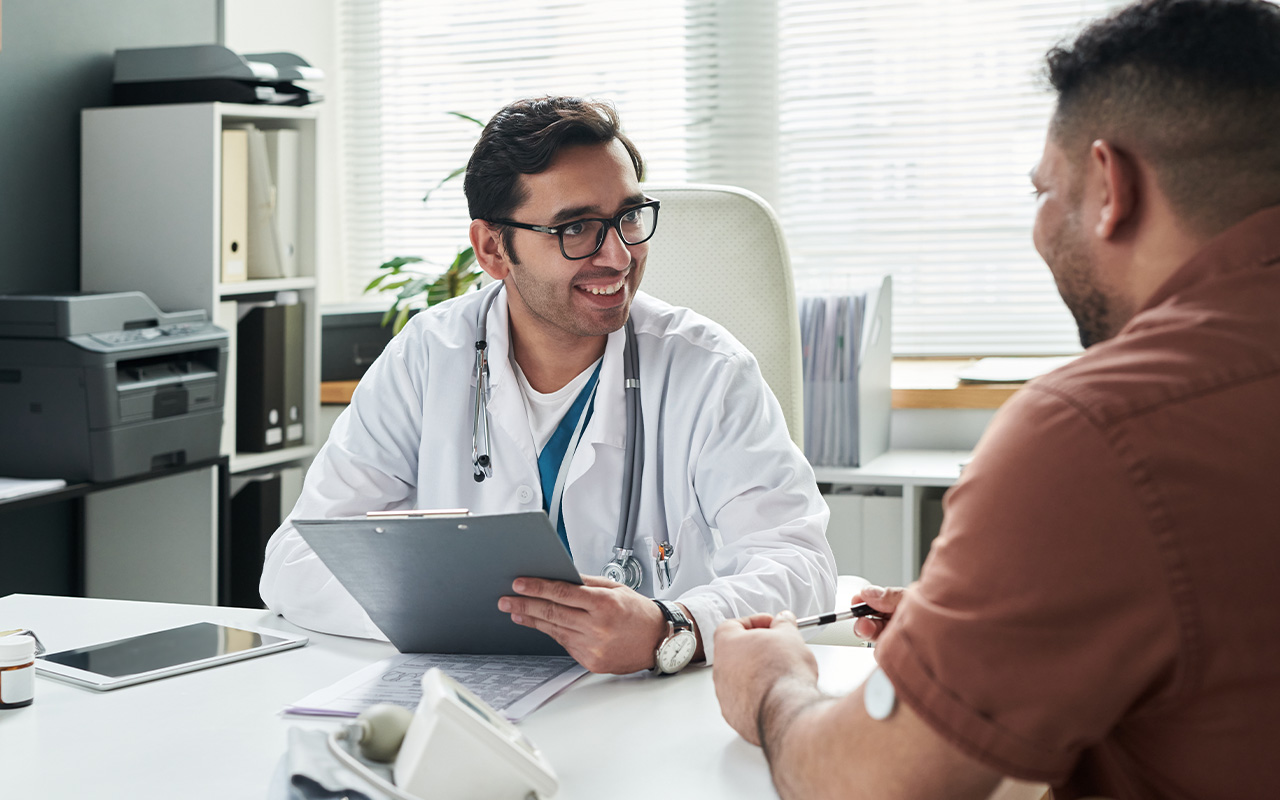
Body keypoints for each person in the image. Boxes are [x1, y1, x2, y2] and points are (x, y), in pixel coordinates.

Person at [712, 1, 1280, 797]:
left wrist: (772, 684)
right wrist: (988, 625)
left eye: (1045, 191)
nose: (1041, 225)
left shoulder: (1096, 433)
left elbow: (867, 782)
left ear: (1111, 186)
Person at [260, 96, 837, 675]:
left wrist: (672, 625)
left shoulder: (707, 370)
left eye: (629, 218)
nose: (617, 255)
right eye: (576, 228)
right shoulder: (429, 357)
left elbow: (798, 563)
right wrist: (471, 613)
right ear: (492, 249)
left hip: (645, 702)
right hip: (468, 699)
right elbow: (295, 559)